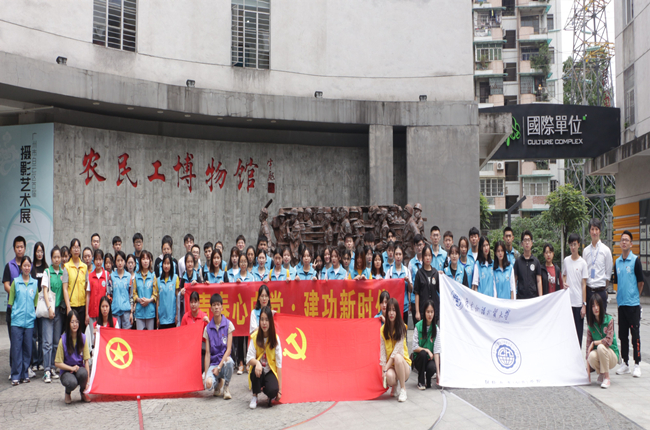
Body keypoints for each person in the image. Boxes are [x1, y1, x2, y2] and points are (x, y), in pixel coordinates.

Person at [613, 230, 644, 378]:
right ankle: (625, 363)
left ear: (631, 244)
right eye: (622, 240)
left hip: (633, 305)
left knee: (635, 335)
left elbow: (641, 282)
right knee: (622, 335)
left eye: (626, 240)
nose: (624, 242)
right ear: (620, 243)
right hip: (622, 304)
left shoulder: (635, 260)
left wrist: (634, 296)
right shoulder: (617, 262)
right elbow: (617, 282)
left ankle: (637, 363)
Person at [9, 256, 38, 385]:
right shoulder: (15, 282)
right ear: (21, 267)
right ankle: (15, 375)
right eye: (24, 265)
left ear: (31, 267)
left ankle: (25, 374)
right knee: (16, 350)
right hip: (17, 322)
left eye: (28, 265)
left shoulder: (34, 283)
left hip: (29, 322)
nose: (27, 268)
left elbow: (35, 302)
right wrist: (15, 314)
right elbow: (11, 302)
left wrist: (31, 314)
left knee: (27, 349)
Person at [246, 306, 283, 409]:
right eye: (262, 319)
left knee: (273, 391)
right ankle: (255, 396)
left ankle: (268, 393)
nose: (264, 323)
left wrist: (280, 390)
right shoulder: (255, 336)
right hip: (259, 371)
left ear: (270, 321)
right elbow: (248, 358)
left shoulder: (275, 339)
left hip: (270, 371)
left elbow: (279, 364)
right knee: (255, 370)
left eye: (267, 320)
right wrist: (257, 363)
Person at [203, 293, 235, 400]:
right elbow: (207, 353)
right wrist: (206, 374)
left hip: (223, 363)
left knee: (229, 361)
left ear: (222, 307)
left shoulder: (229, 325)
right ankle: (217, 384)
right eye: (214, 305)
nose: (216, 307)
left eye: (218, 304)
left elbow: (229, 350)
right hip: (213, 365)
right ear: (211, 308)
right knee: (208, 384)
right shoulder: (207, 329)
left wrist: (219, 367)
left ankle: (226, 387)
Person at [55, 310, 91, 404]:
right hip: (66, 371)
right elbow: (57, 363)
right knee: (72, 382)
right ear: (68, 323)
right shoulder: (63, 339)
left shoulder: (83, 338)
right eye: (72, 322)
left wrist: (88, 382)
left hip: (79, 369)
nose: (75, 324)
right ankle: (67, 393)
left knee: (83, 373)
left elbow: (86, 361)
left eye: (76, 322)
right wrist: (71, 368)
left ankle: (83, 392)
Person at [585, 293, 619, 389]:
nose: (596, 308)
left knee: (600, 347)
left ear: (601, 306)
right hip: (600, 355)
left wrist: (595, 343)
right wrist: (588, 375)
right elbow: (588, 349)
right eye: (593, 306)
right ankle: (601, 373)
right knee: (591, 356)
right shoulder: (591, 326)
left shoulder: (609, 320)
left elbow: (608, 341)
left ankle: (607, 377)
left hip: (611, 354)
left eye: (598, 305)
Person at [380, 298, 410, 402]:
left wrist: (385, 368)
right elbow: (383, 353)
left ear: (397, 312)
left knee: (397, 356)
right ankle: (395, 384)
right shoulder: (383, 330)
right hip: (392, 367)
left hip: (404, 365)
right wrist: (384, 371)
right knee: (389, 376)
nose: (391, 313)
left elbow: (395, 353)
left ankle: (403, 389)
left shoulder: (402, 327)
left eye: (394, 310)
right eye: (389, 310)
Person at [41, 246, 64, 383]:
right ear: (51, 258)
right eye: (54, 257)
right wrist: (49, 308)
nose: (57, 259)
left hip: (59, 312)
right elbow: (44, 291)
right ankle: (46, 370)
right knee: (47, 343)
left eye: (58, 257)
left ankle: (53, 367)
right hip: (49, 311)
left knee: (56, 342)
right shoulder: (47, 272)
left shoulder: (63, 272)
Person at [562, 233, 589, 348]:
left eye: (574, 244)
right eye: (571, 245)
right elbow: (564, 275)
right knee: (568, 333)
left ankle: (578, 357)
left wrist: (584, 304)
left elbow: (584, 284)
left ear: (578, 245)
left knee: (578, 334)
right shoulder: (566, 260)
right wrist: (564, 282)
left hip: (578, 303)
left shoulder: (583, 263)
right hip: (568, 303)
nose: (572, 247)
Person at [583, 219, 613, 313]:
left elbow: (608, 273)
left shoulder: (606, 250)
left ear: (600, 231)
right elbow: (584, 272)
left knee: (601, 319)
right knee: (590, 320)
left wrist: (603, 287)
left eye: (596, 229)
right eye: (592, 229)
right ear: (589, 231)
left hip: (601, 291)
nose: (594, 232)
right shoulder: (586, 251)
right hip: (589, 291)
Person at [62, 238, 89, 337]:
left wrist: (87, 312)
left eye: (78, 247)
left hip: (82, 306)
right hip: (71, 306)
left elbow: (87, 291)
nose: (76, 250)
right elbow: (65, 288)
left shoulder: (84, 267)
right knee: (71, 334)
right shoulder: (67, 267)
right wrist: (68, 307)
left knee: (81, 333)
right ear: (70, 250)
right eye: (74, 247)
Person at [411, 300, 441, 390]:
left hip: (429, 359)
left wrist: (438, 373)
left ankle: (428, 381)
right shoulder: (418, 326)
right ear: (424, 312)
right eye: (428, 312)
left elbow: (436, 351)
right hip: (419, 359)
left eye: (432, 312)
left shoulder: (436, 329)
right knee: (423, 353)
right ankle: (421, 381)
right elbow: (414, 347)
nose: (430, 314)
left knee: (432, 367)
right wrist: (427, 350)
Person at [30, 242, 48, 373]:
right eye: (38, 251)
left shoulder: (46, 268)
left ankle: (41, 361)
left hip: (43, 306)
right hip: (32, 305)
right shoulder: (31, 268)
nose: (39, 254)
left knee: (42, 335)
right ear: (34, 253)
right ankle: (34, 361)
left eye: (41, 251)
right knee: (33, 335)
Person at [385, 245, 412, 325]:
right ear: (394, 255)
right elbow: (385, 288)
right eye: (396, 254)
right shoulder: (390, 272)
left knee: (404, 330)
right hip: (392, 309)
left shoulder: (406, 271)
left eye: (400, 254)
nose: (398, 256)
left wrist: (408, 282)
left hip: (404, 307)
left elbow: (411, 289)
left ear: (402, 256)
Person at [86, 249, 108, 347]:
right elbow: (88, 295)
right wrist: (86, 314)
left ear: (102, 260)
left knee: (103, 337)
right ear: (93, 261)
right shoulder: (90, 276)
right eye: (96, 259)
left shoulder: (106, 275)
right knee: (93, 337)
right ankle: (93, 355)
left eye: (100, 259)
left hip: (103, 313)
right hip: (92, 312)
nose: (98, 262)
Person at [513, 230, 543, 299]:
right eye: (525, 240)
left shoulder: (536, 261)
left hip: (533, 298)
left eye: (529, 240)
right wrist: (514, 297)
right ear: (522, 244)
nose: (527, 242)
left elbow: (539, 281)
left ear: (531, 243)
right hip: (521, 299)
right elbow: (515, 280)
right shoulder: (518, 261)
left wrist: (540, 298)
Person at [133, 251, 158, 330]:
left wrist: (149, 300)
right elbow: (134, 293)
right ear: (140, 261)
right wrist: (139, 299)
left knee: (150, 336)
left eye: (147, 259)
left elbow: (155, 294)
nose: (145, 261)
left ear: (150, 261)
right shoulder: (136, 276)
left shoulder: (153, 275)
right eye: (143, 259)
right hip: (139, 312)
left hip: (150, 311)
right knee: (140, 336)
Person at [414, 246, 440, 323]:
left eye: (429, 255)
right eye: (425, 255)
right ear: (422, 257)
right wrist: (417, 311)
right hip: (423, 309)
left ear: (431, 257)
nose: (427, 258)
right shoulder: (419, 273)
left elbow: (440, 290)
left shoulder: (435, 273)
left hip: (434, 310)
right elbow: (417, 293)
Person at [110, 251, 133, 330]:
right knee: (116, 335)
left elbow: (131, 295)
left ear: (125, 262)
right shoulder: (111, 276)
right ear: (115, 262)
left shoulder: (129, 276)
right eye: (118, 260)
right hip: (115, 311)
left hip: (126, 311)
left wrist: (131, 312)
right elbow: (109, 294)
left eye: (122, 260)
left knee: (127, 335)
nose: (120, 263)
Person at [157, 254, 179, 329]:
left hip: (172, 317)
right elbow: (157, 300)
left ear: (171, 265)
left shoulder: (175, 278)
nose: (166, 266)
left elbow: (177, 298)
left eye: (168, 263)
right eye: (164, 263)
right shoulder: (158, 280)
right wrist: (157, 317)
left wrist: (177, 315)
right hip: (162, 318)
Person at [180, 252, 203, 322]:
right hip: (186, 308)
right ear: (185, 263)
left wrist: (197, 285)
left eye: (191, 262)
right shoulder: (183, 278)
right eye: (188, 262)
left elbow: (202, 292)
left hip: (196, 310)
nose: (190, 264)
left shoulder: (197, 276)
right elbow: (180, 296)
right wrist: (181, 293)